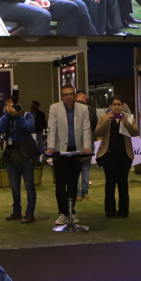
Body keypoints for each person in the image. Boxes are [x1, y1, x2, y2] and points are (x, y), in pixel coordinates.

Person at [47, 84, 93, 225]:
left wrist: (87, 147)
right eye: (65, 94)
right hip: (60, 152)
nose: (68, 96)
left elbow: (86, 129)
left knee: (73, 183)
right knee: (60, 183)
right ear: (62, 96)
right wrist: (50, 147)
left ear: (74, 95)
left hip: (77, 151)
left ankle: (71, 212)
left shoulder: (83, 109)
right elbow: (51, 129)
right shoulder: (54, 108)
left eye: (71, 94)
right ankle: (62, 213)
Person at [95, 96, 139, 218]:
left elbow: (135, 132)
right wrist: (106, 121)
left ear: (123, 105)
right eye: (114, 104)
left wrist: (126, 122)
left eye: (119, 104)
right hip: (108, 155)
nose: (116, 107)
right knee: (109, 183)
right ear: (111, 105)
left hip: (124, 155)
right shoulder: (104, 117)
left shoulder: (129, 117)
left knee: (123, 183)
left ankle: (123, 211)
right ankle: (110, 211)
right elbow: (97, 132)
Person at [0, 96, 37, 223]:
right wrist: (7, 115)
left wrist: (18, 115)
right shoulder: (6, 118)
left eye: (12, 105)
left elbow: (29, 128)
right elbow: (0, 130)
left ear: (18, 105)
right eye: (8, 106)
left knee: (29, 185)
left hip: (26, 153)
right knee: (14, 186)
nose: (10, 108)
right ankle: (16, 211)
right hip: (12, 153)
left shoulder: (27, 115)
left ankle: (30, 213)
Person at [75, 91, 97, 201]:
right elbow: (95, 126)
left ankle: (78, 193)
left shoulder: (72, 109)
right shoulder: (91, 110)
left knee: (76, 169)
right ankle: (85, 192)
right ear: (84, 98)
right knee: (85, 169)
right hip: (89, 142)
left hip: (76, 143)